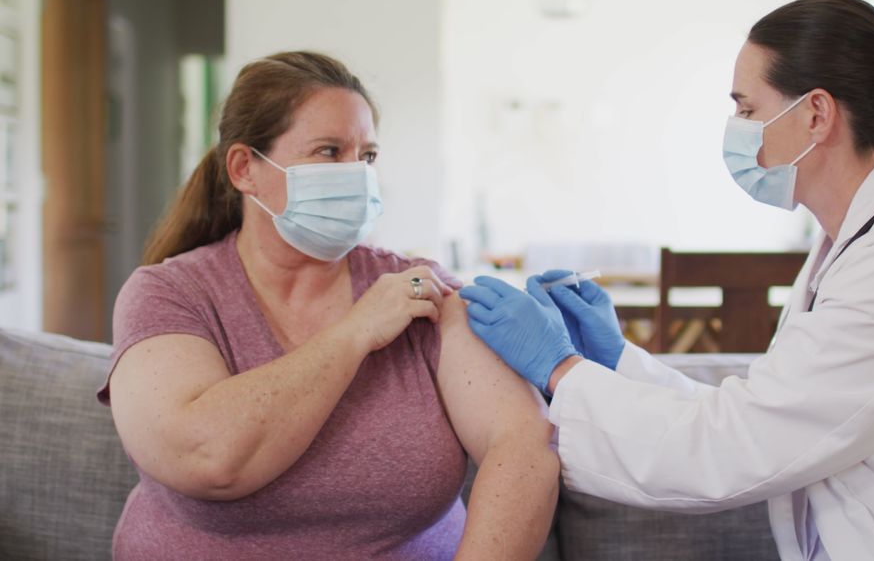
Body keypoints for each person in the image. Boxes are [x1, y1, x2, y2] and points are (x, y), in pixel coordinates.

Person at [460, 0, 874, 559]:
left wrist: (559, 368)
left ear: (816, 115)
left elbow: (738, 448)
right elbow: (777, 416)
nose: (736, 130)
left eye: (746, 107)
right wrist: (618, 360)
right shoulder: (859, 241)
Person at [100, 51, 558, 560]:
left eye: (366, 157)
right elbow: (207, 457)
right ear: (245, 168)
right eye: (328, 151)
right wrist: (356, 330)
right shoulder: (170, 293)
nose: (356, 175)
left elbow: (522, 442)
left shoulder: (417, 289)